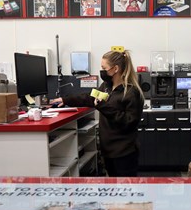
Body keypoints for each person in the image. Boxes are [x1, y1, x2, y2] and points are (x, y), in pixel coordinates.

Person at [50, 49, 144, 177]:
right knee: (114, 187)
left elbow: (129, 122)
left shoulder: (131, 92)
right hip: (108, 150)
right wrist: (66, 99)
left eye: (104, 68)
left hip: (124, 152)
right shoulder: (107, 87)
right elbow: (89, 98)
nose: (102, 71)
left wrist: (103, 106)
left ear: (115, 69)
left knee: (125, 190)